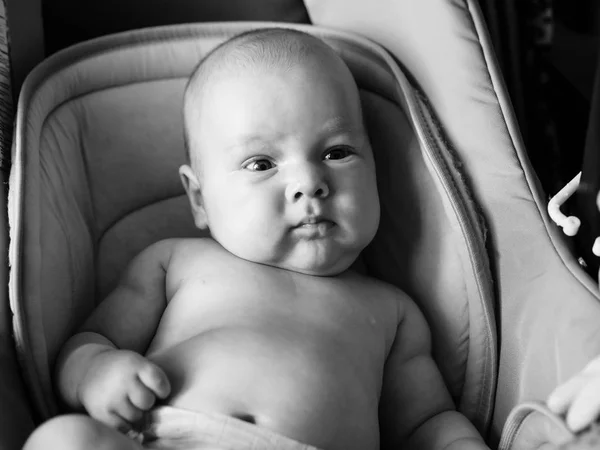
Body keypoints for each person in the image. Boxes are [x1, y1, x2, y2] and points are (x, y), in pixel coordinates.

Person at [22, 28, 489, 450]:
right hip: (169, 437)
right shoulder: (175, 264)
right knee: (63, 439)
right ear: (199, 198)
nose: (309, 181)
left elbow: (426, 423)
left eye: (337, 152)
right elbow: (89, 341)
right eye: (261, 164)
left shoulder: (393, 311)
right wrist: (96, 373)